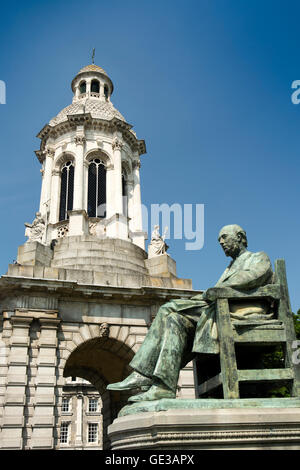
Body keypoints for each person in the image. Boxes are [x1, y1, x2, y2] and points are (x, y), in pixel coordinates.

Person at [107, 224, 273, 402]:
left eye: (224, 237)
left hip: (242, 310)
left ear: (239, 237)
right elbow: (218, 290)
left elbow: (251, 277)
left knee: (165, 309)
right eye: (219, 240)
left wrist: (218, 290)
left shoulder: (258, 257)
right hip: (220, 307)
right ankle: (163, 386)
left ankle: (143, 374)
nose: (221, 242)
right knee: (174, 320)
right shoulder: (229, 267)